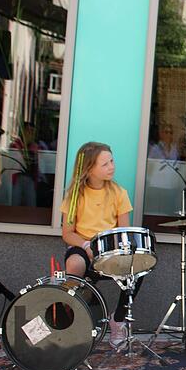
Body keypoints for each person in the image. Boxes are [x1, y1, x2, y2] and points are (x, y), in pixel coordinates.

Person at [61, 142, 135, 348]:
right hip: (82, 246)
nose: (112, 166)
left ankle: (118, 320)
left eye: (112, 161)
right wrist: (86, 245)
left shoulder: (119, 193)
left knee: (136, 269)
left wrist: (113, 254)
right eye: (105, 164)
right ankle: (77, 318)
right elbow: (67, 233)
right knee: (74, 265)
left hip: (109, 249)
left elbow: (124, 233)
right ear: (89, 168)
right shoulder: (75, 195)